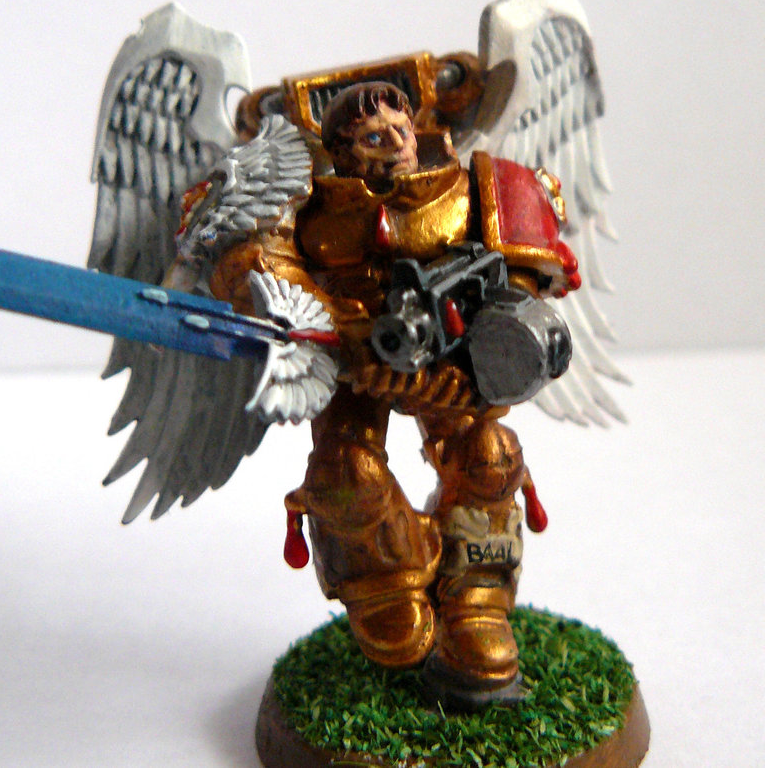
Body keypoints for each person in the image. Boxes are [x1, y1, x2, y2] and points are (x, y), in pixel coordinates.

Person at [210, 81, 576, 705]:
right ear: (342, 153)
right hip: (353, 364)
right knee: (345, 472)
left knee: (489, 456)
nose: (396, 145)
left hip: (453, 360)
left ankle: (478, 599)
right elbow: (259, 277)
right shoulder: (310, 211)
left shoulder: (468, 191)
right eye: (374, 138)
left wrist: (479, 368)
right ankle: (385, 586)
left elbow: (525, 296)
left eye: (401, 130)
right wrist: (343, 335)